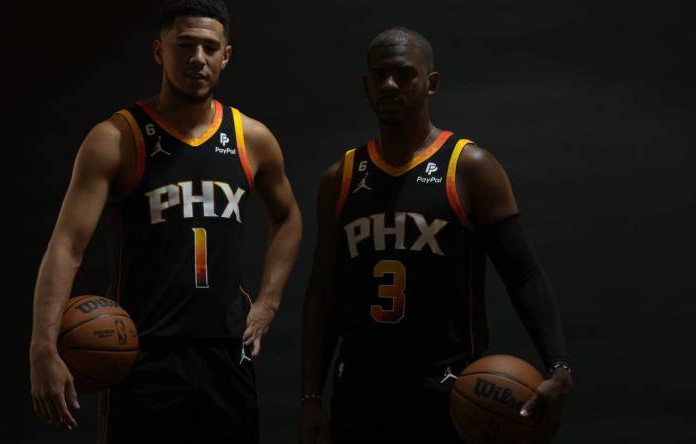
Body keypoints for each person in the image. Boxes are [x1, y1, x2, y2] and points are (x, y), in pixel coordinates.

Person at [29, 1, 302, 443]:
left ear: (226, 56)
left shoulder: (251, 138)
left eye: (210, 47)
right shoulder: (117, 138)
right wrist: (42, 345)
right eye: (185, 45)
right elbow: (67, 245)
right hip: (143, 356)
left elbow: (288, 218)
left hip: (225, 355)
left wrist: (269, 302)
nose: (198, 58)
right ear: (160, 51)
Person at [300, 27, 573, 444]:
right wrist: (310, 395)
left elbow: (523, 274)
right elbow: (322, 292)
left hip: (446, 391)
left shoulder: (470, 167)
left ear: (431, 83)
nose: (390, 84)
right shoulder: (340, 178)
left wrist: (558, 365)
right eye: (380, 76)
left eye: (404, 74)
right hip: (359, 392)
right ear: (366, 86)